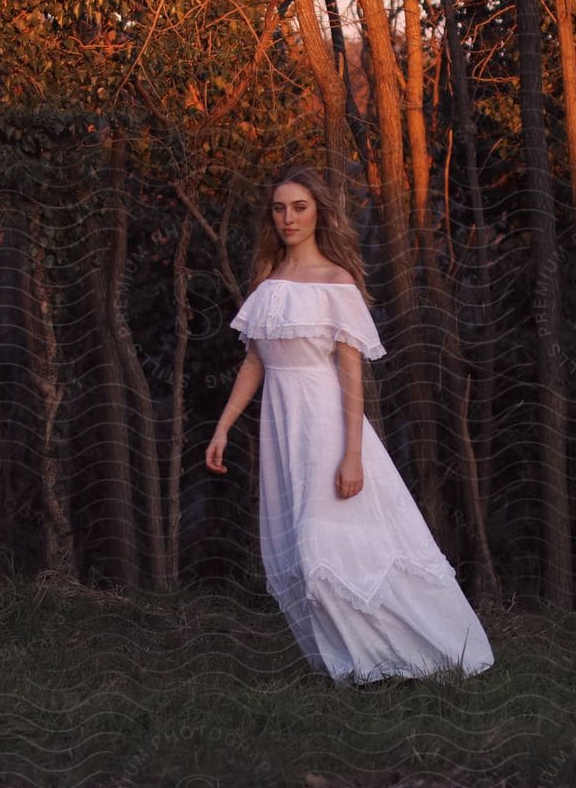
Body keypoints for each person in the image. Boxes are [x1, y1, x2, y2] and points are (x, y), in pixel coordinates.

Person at [205, 165, 495, 686]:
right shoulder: (267, 285)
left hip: (328, 429)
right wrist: (223, 426)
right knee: (299, 551)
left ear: (318, 213)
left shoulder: (337, 283)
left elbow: (351, 375)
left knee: (331, 550)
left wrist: (353, 454)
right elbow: (255, 362)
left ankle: (417, 656)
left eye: (299, 207)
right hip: (281, 431)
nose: (288, 218)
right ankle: (349, 665)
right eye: (279, 208)